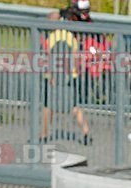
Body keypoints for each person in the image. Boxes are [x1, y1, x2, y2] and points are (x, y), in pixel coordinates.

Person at [40, 10, 92, 145]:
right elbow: (75, 57)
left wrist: (50, 74)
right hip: (70, 76)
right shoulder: (70, 37)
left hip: (55, 76)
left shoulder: (52, 37)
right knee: (74, 106)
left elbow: (50, 57)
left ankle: (44, 134)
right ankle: (86, 131)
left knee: (47, 106)